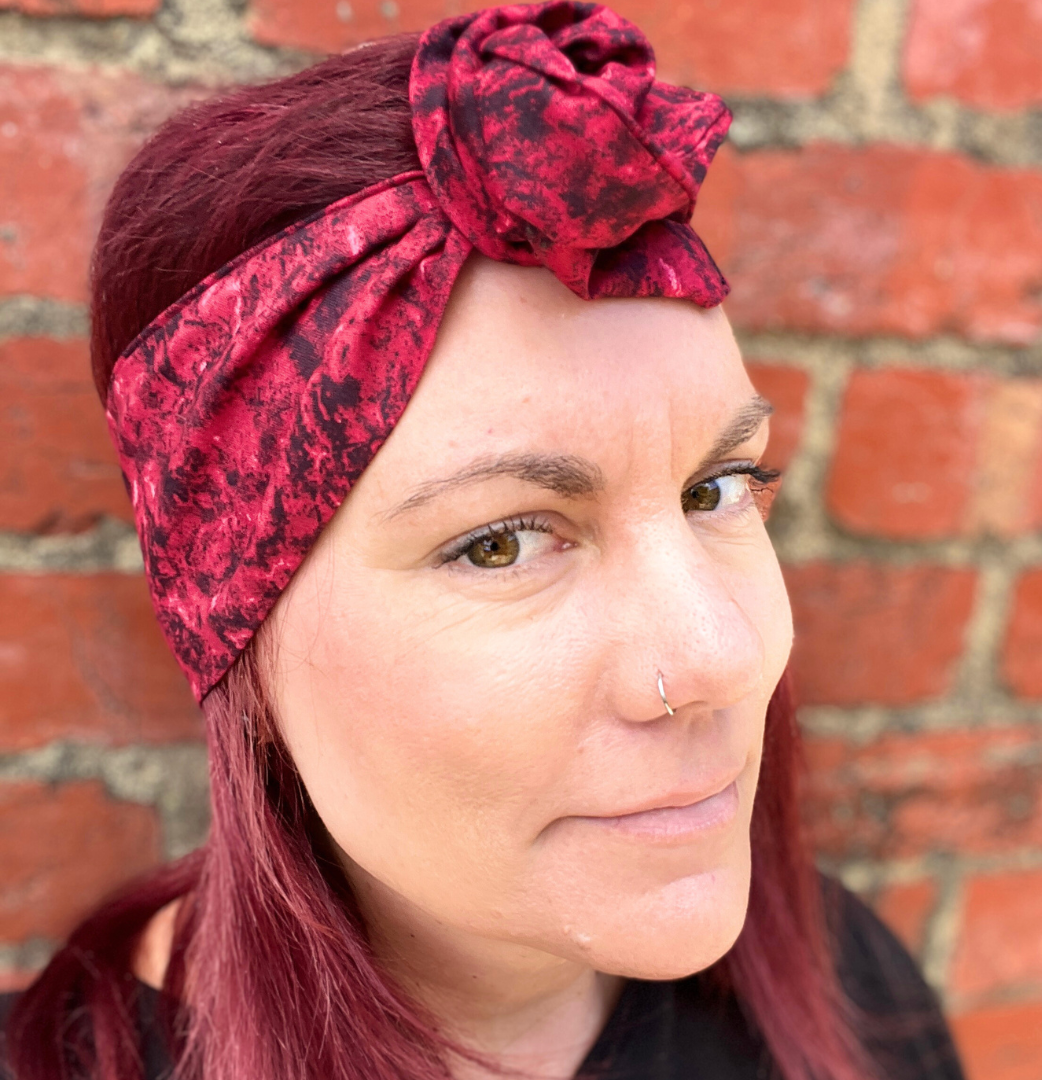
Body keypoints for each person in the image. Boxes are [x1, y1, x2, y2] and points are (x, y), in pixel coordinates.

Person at [0, 4, 966, 1079]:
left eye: (717, 488)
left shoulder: (856, 995)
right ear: (232, 634)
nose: (726, 658)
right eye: (501, 544)